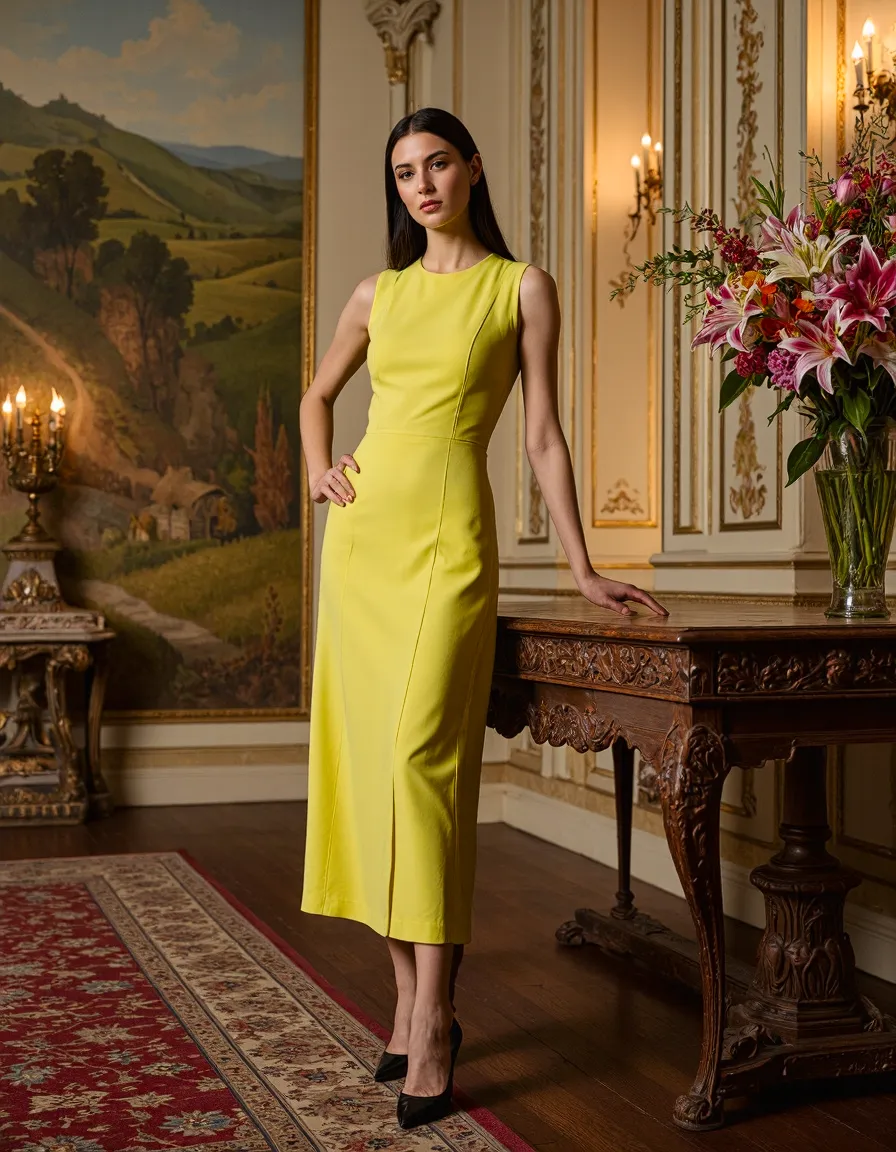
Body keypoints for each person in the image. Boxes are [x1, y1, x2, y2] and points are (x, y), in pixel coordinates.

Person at [298, 106, 668, 1130]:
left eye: (436, 165)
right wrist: (320, 470)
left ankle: (440, 1008)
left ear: (470, 171)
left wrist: (582, 564)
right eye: (403, 172)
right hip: (365, 550)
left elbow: (542, 433)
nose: (420, 185)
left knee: (422, 765)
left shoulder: (521, 288)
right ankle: (411, 999)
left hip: (448, 546)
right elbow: (316, 397)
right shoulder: (379, 292)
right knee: (374, 770)